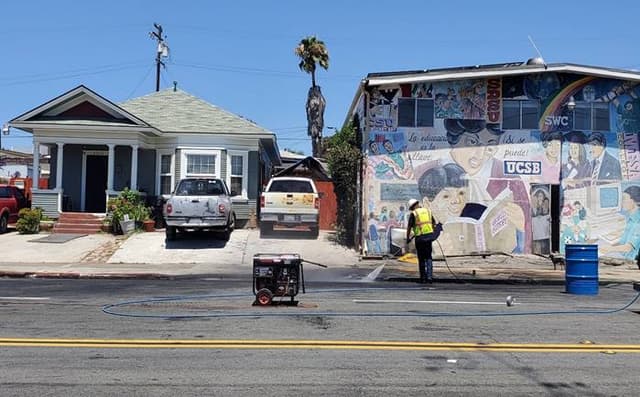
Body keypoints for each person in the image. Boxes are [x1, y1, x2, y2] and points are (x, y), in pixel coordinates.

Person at [405, 198, 442, 283]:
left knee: (421, 258)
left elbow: (409, 227)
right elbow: (433, 223)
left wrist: (407, 238)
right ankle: (430, 277)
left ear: (412, 207)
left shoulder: (414, 213)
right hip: (429, 238)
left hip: (420, 238)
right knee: (428, 257)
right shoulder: (428, 211)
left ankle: (423, 278)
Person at [600, 186, 640, 260]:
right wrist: (610, 246)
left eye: (624, 199)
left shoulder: (638, 222)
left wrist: (609, 249)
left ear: (634, 201)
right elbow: (623, 241)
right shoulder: (631, 218)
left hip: (629, 261)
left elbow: (628, 248)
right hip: (622, 255)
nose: (621, 202)